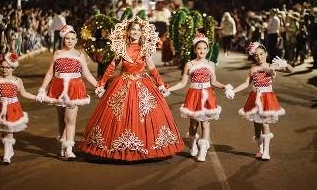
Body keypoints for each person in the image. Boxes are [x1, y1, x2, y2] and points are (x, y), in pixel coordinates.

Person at [79, 16, 184, 161]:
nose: (135, 32)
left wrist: (160, 84)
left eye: (138, 29)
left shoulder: (145, 49)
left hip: (143, 84)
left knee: (144, 115)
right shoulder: (121, 47)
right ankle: (117, 149)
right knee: (119, 116)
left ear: (142, 33)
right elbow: (111, 67)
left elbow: (152, 69)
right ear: (128, 32)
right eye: (133, 29)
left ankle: (145, 149)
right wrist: (101, 83)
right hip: (123, 83)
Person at [168, 33, 234, 162]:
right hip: (194, 95)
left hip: (207, 95)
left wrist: (225, 86)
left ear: (208, 49)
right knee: (193, 124)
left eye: (204, 48)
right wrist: (169, 89)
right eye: (199, 48)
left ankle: (203, 150)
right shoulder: (189, 64)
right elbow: (182, 83)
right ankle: (193, 144)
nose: (202, 51)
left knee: (205, 123)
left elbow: (214, 82)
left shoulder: (211, 64)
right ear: (194, 50)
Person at [37, 25, 98, 160]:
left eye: (72, 39)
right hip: (58, 87)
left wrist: (97, 86)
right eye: (67, 38)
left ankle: (69, 149)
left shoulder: (80, 55)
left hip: (74, 88)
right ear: (63, 39)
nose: (69, 41)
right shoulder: (57, 53)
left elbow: (86, 74)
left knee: (70, 119)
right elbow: (49, 73)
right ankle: (63, 146)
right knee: (61, 120)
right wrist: (42, 89)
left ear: (76, 41)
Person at [233, 42, 293, 161]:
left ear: (266, 54)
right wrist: (233, 91)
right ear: (253, 56)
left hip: (267, 98)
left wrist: (285, 64)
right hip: (255, 99)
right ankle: (260, 148)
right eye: (256, 55)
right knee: (256, 126)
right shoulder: (253, 68)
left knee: (265, 123)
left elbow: (291, 70)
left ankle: (266, 151)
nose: (259, 57)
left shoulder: (272, 66)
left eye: (261, 54)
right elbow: (246, 84)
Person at [0, 52, 36, 164]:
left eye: (7, 67)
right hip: (0, 107)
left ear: (13, 68)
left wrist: (36, 97)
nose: (4, 69)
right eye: (2, 67)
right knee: (4, 131)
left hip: (12, 107)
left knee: (9, 132)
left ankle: (6, 156)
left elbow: (24, 93)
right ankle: (9, 151)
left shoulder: (17, 80)